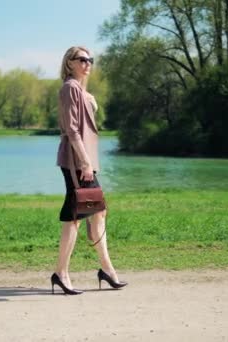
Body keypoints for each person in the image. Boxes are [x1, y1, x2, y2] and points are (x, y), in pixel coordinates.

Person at [51, 46, 128, 295]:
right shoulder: (70, 88)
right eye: (82, 59)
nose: (87, 63)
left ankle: (106, 269)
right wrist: (84, 162)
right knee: (75, 215)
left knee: (98, 211)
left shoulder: (81, 91)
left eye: (90, 60)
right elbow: (72, 130)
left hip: (86, 163)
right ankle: (62, 273)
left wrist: (89, 99)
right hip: (77, 162)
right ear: (69, 63)